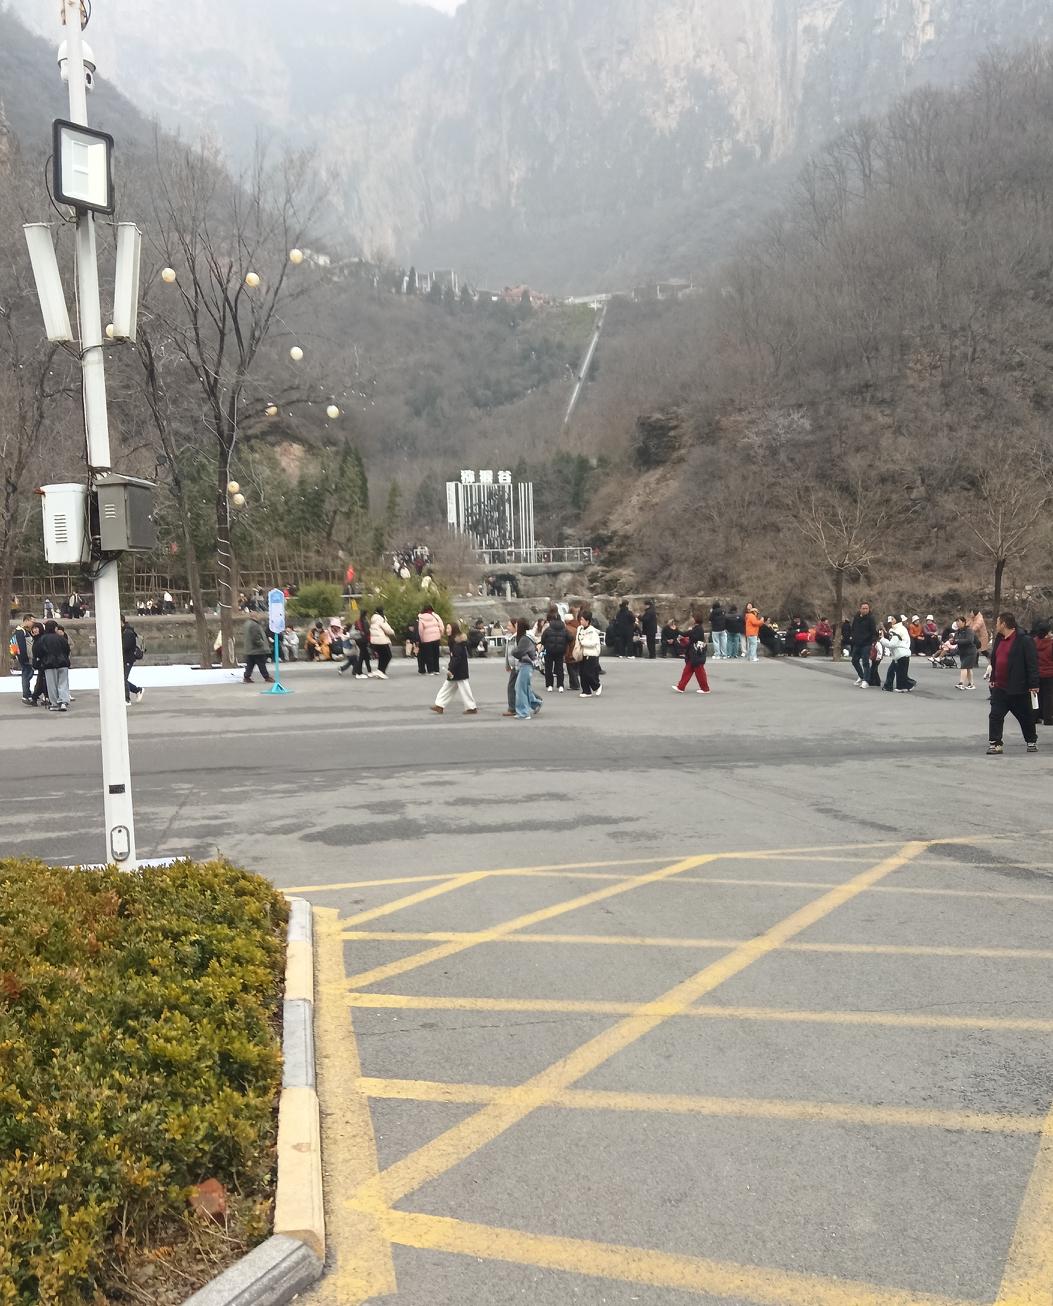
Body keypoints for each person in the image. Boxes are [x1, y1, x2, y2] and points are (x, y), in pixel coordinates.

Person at [985, 612, 1039, 754]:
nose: (996, 625)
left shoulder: (1024, 640)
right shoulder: (999, 639)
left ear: (1004, 624)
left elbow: (1032, 663)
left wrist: (1034, 684)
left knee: (1025, 716)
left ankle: (1031, 741)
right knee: (995, 715)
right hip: (1000, 687)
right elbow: (995, 660)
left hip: (1018, 686)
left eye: (997, 622)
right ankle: (995, 743)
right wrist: (993, 678)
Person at [430, 622, 478, 715]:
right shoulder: (454, 641)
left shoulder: (457, 643)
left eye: (448, 628)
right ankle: (439, 705)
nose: (447, 630)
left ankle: (471, 707)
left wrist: (451, 669)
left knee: (463, 688)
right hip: (457, 669)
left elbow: (456, 658)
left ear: (454, 629)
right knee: (447, 687)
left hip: (459, 670)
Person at [512, 617, 544, 717]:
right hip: (527, 664)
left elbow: (518, 652)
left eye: (517, 624)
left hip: (526, 664)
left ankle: (523, 712)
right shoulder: (526, 637)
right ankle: (535, 703)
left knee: (520, 689)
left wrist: (513, 651)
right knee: (524, 687)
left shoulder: (524, 639)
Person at [37, 619, 72, 711]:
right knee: (63, 683)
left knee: (51, 684)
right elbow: (67, 649)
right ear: (55, 628)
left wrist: (41, 660)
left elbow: (38, 652)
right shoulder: (61, 638)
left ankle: (55, 703)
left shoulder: (42, 639)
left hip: (49, 664)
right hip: (63, 663)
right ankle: (63, 701)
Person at [674, 615, 711, 694]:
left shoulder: (697, 629)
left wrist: (676, 630)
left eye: (692, 618)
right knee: (687, 671)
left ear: (695, 620)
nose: (691, 619)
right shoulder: (697, 628)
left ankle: (705, 689)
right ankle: (681, 687)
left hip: (696, 654)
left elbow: (687, 635)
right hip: (693, 654)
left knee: (699, 673)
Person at [882, 616, 915, 692]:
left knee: (900, 672)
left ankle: (903, 686)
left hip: (901, 653)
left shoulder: (898, 630)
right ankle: (890, 686)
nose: (891, 621)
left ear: (897, 620)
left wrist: (882, 639)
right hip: (899, 653)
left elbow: (892, 644)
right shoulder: (896, 629)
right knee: (897, 671)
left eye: (892, 619)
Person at [540, 605, 569, 692]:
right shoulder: (564, 628)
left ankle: (549, 685)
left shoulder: (548, 628)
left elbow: (543, 639)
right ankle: (560, 685)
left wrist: (545, 644)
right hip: (560, 651)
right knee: (559, 668)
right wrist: (564, 643)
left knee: (548, 668)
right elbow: (570, 637)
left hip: (549, 650)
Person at [575, 610, 602, 698]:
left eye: (582, 620)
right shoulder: (579, 629)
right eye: (580, 619)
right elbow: (577, 639)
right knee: (582, 673)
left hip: (591, 654)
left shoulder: (592, 631)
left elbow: (594, 643)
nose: (581, 621)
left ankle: (597, 686)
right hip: (582, 654)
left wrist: (583, 642)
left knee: (588, 673)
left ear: (587, 621)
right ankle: (586, 691)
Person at [849, 602, 878, 687]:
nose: (865, 610)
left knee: (865, 662)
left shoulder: (871, 618)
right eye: (863, 608)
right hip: (857, 643)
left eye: (867, 608)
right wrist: (853, 637)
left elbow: (873, 631)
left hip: (866, 643)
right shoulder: (856, 617)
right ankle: (861, 676)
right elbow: (853, 628)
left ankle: (866, 680)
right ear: (860, 609)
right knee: (854, 661)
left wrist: (872, 641)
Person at [121, 616, 145, 704]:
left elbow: (125, 647)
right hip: (124, 659)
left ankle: (126, 699)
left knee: (123, 679)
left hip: (128, 659)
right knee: (121, 679)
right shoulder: (123, 631)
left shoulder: (128, 632)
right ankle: (137, 690)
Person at [242, 613, 272, 683]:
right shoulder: (254, 625)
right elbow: (255, 637)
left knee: (250, 664)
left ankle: (246, 677)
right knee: (261, 663)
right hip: (256, 649)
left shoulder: (247, 624)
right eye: (258, 615)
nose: (259, 617)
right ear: (255, 616)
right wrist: (262, 644)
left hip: (250, 648)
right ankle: (266, 677)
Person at [1033, 622, 1053, 727]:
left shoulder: (1033, 642)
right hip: (1049, 673)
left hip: (1037, 673)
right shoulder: (1050, 644)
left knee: (1038, 695)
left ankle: (1036, 716)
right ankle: (1048, 718)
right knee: (1048, 696)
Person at [952, 618, 979, 690]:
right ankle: (971, 684)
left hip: (970, 651)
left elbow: (969, 640)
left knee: (963, 667)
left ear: (964, 622)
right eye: (956, 621)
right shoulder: (957, 632)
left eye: (959, 621)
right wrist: (952, 641)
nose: (957, 623)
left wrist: (957, 640)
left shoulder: (969, 630)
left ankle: (961, 683)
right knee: (968, 668)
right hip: (963, 652)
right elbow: (955, 641)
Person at [13, 613, 35, 704]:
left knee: (28, 674)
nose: (33, 623)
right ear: (26, 620)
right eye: (32, 621)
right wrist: (24, 658)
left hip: (26, 657)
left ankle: (27, 693)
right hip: (25, 658)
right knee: (26, 675)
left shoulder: (23, 631)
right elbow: (21, 647)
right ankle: (26, 695)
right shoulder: (20, 631)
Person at [417, 604, 444, 675]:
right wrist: (440, 634)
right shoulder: (435, 616)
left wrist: (422, 639)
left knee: (429, 655)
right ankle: (436, 670)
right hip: (436, 637)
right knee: (436, 654)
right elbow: (441, 626)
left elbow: (420, 630)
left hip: (426, 639)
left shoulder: (421, 617)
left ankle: (430, 670)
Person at [369, 607, 395, 679]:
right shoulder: (380, 619)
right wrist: (393, 632)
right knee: (388, 656)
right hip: (381, 640)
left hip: (374, 641)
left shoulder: (373, 619)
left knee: (382, 656)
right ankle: (381, 671)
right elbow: (388, 630)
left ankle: (380, 671)